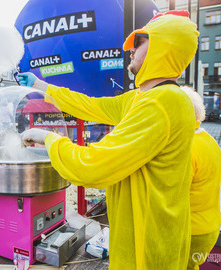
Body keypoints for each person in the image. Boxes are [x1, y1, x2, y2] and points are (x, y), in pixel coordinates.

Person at [18, 10, 199, 269]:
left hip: (147, 241)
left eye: (139, 43)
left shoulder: (163, 102)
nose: (131, 50)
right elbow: (90, 106)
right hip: (138, 230)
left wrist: (50, 140)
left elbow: (93, 166)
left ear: (162, 48)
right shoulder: (142, 98)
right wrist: (41, 86)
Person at [180, 86, 221, 270]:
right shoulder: (210, 141)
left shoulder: (186, 148)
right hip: (210, 227)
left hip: (191, 231)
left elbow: (174, 196)